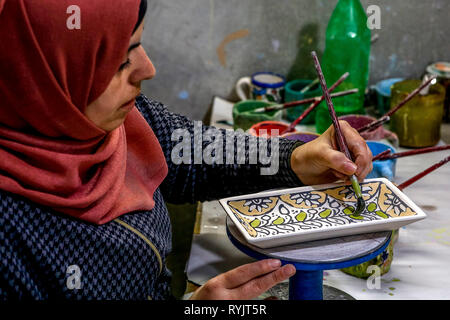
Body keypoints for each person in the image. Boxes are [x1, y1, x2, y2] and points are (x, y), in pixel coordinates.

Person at [0, 0, 372, 300]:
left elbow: (190, 153)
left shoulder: (114, 121)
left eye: (138, 44)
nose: (148, 69)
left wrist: (293, 158)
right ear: (48, 77)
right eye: (120, 61)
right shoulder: (9, 239)